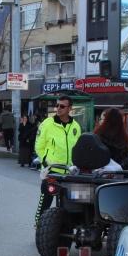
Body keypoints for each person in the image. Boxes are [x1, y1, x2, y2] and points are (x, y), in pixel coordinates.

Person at [34, 95, 82, 225]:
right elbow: (39, 147)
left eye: (62, 106)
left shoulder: (76, 126)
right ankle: (39, 226)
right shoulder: (47, 124)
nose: (58, 108)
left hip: (70, 172)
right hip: (52, 171)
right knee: (45, 200)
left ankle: (64, 228)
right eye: (57, 105)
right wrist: (46, 164)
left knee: (70, 203)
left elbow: (77, 148)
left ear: (70, 108)